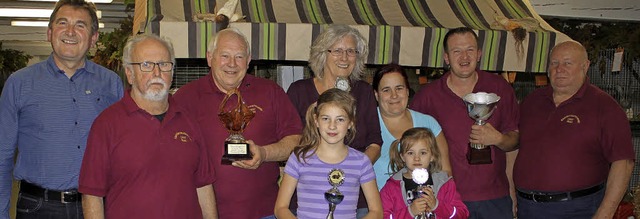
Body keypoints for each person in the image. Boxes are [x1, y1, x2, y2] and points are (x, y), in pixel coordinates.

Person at [0, 0, 124, 218]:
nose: (70, 31)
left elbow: (124, 151)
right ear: (49, 32)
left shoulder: (111, 84)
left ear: (94, 38)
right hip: (37, 207)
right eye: (62, 23)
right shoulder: (19, 84)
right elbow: (2, 156)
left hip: (97, 207)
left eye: (80, 25)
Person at [78, 34, 216, 218]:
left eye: (164, 64)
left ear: (173, 71)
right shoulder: (106, 125)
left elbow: (204, 185)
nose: (157, 73)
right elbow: (92, 195)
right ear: (129, 74)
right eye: (146, 65)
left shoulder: (189, 122)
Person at [172, 28, 303, 219]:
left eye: (239, 56)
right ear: (210, 58)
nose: (232, 64)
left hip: (264, 212)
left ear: (248, 60)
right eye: (224, 55)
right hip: (202, 213)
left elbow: (296, 140)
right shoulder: (185, 98)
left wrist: (264, 153)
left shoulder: (270, 92)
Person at [514, 41, 635, 218]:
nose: (559, 69)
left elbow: (623, 163)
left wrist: (605, 213)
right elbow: (515, 146)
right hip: (527, 208)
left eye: (567, 63)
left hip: (578, 209)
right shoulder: (531, 102)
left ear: (585, 66)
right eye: (554, 63)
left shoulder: (605, 107)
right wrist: (512, 194)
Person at [410, 27, 519, 219]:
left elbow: (514, 142)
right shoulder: (427, 97)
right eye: (456, 51)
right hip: (446, 198)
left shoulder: (500, 88)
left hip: (495, 199)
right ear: (446, 57)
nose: (464, 57)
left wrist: (498, 139)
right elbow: (411, 145)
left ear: (479, 54)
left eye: (470, 50)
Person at [287, 24, 382, 217]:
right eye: (337, 50)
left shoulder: (364, 92)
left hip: (355, 198)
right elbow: (290, 141)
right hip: (307, 197)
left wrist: (350, 174)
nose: (345, 57)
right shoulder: (299, 91)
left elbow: (375, 142)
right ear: (323, 54)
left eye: (351, 51)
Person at [274, 88, 382, 219]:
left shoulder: (362, 162)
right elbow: (280, 208)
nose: (332, 126)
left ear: (350, 123)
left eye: (340, 119)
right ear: (316, 120)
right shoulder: (299, 158)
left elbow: (376, 212)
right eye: (326, 118)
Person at [372, 63, 452, 190]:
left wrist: (431, 201)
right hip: (378, 207)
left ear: (407, 91)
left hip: (425, 204)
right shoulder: (366, 122)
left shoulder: (429, 123)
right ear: (376, 95)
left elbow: (445, 171)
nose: (394, 95)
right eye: (386, 90)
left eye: (399, 88)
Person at [380, 127, 468, 219]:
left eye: (423, 153)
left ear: (432, 156)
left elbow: (462, 214)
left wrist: (437, 206)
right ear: (402, 157)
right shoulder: (391, 187)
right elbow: (383, 216)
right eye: (410, 153)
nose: (416, 158)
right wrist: (410, 212)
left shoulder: (445, 183)